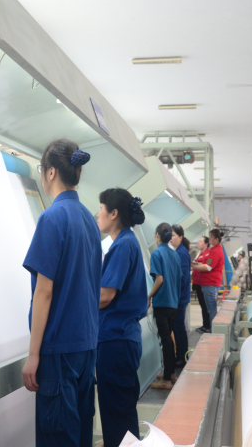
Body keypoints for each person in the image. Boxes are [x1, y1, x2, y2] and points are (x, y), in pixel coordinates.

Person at [22, 139, 102, 447]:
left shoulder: (52, 218)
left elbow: (44, 292)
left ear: (51, 172)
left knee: (57, 438)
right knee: (78, 437)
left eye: (41, 170)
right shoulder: (89, 221)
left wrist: (33, 355)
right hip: (85, 347)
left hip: (57, 353)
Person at [95, 188, 148, 447]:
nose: (98, 214)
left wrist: (75, 302)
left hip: (116, 341)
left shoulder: (123, 245)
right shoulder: (127, 241)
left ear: (113, 213)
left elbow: (105, 296)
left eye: (101, 208)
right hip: (121, 339)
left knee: (117, 419)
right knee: (120, 414)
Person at [148, 222, 182, 390]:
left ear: (157, 235)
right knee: (169, 338)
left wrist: (149, 295)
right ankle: (171, 373)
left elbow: (159, 279)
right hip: (174, 303)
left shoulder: (156, 253)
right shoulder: (175, 254)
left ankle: (167, 380)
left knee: (166, 341)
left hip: (162, 303)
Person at [192, 229, 225, 328]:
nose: (209, 239)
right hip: (208, 284)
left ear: (216, 239)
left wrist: (193, 265)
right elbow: (205, 263)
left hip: (211, 283)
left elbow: (207, 267)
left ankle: (213, 330)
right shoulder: (213, 250)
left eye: (211, 237)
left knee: (211, 309)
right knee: (209, 309)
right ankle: (211, 329)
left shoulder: (216, 251)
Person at [171, 224, 191, 367]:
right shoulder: (179, 251)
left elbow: (183, 278)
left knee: (179, 327)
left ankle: (183, 357)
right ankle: (180, 355)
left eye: (173, 235)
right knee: (177, 327)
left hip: (180, 297)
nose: (171, 238)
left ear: (180, 237)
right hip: (178, 296)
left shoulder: (182, 253)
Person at [193, 236, 211, 333]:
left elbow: (206, 269)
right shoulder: (201, 254)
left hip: (202, 285)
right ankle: (205, 325)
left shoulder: (207, 254)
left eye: (201, 242)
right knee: (202, 306)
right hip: (198, 283)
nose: (199, 243)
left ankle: (207, 326)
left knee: (205, 306)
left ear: (206, 244)